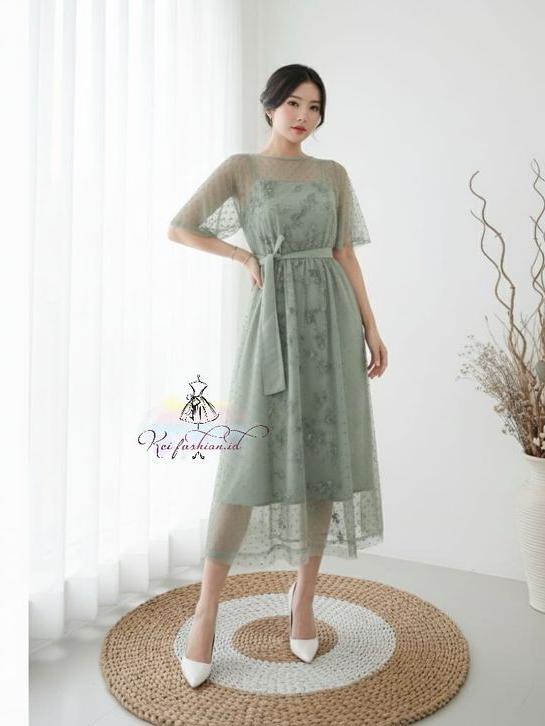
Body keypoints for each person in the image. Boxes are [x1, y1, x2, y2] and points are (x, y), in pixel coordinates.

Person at [167, 64, 387, 688]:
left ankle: (304, 598)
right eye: (293, 103)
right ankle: (207, 610)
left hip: (331, 322)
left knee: (322, 460)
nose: (303, 117)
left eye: (314, 107)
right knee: (246, 462)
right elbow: (181, 225)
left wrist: (371, 327)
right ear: (269, 106)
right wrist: (242, 254)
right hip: (272, 326)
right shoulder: (241, 168)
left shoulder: (333, 174)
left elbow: (345, 253)